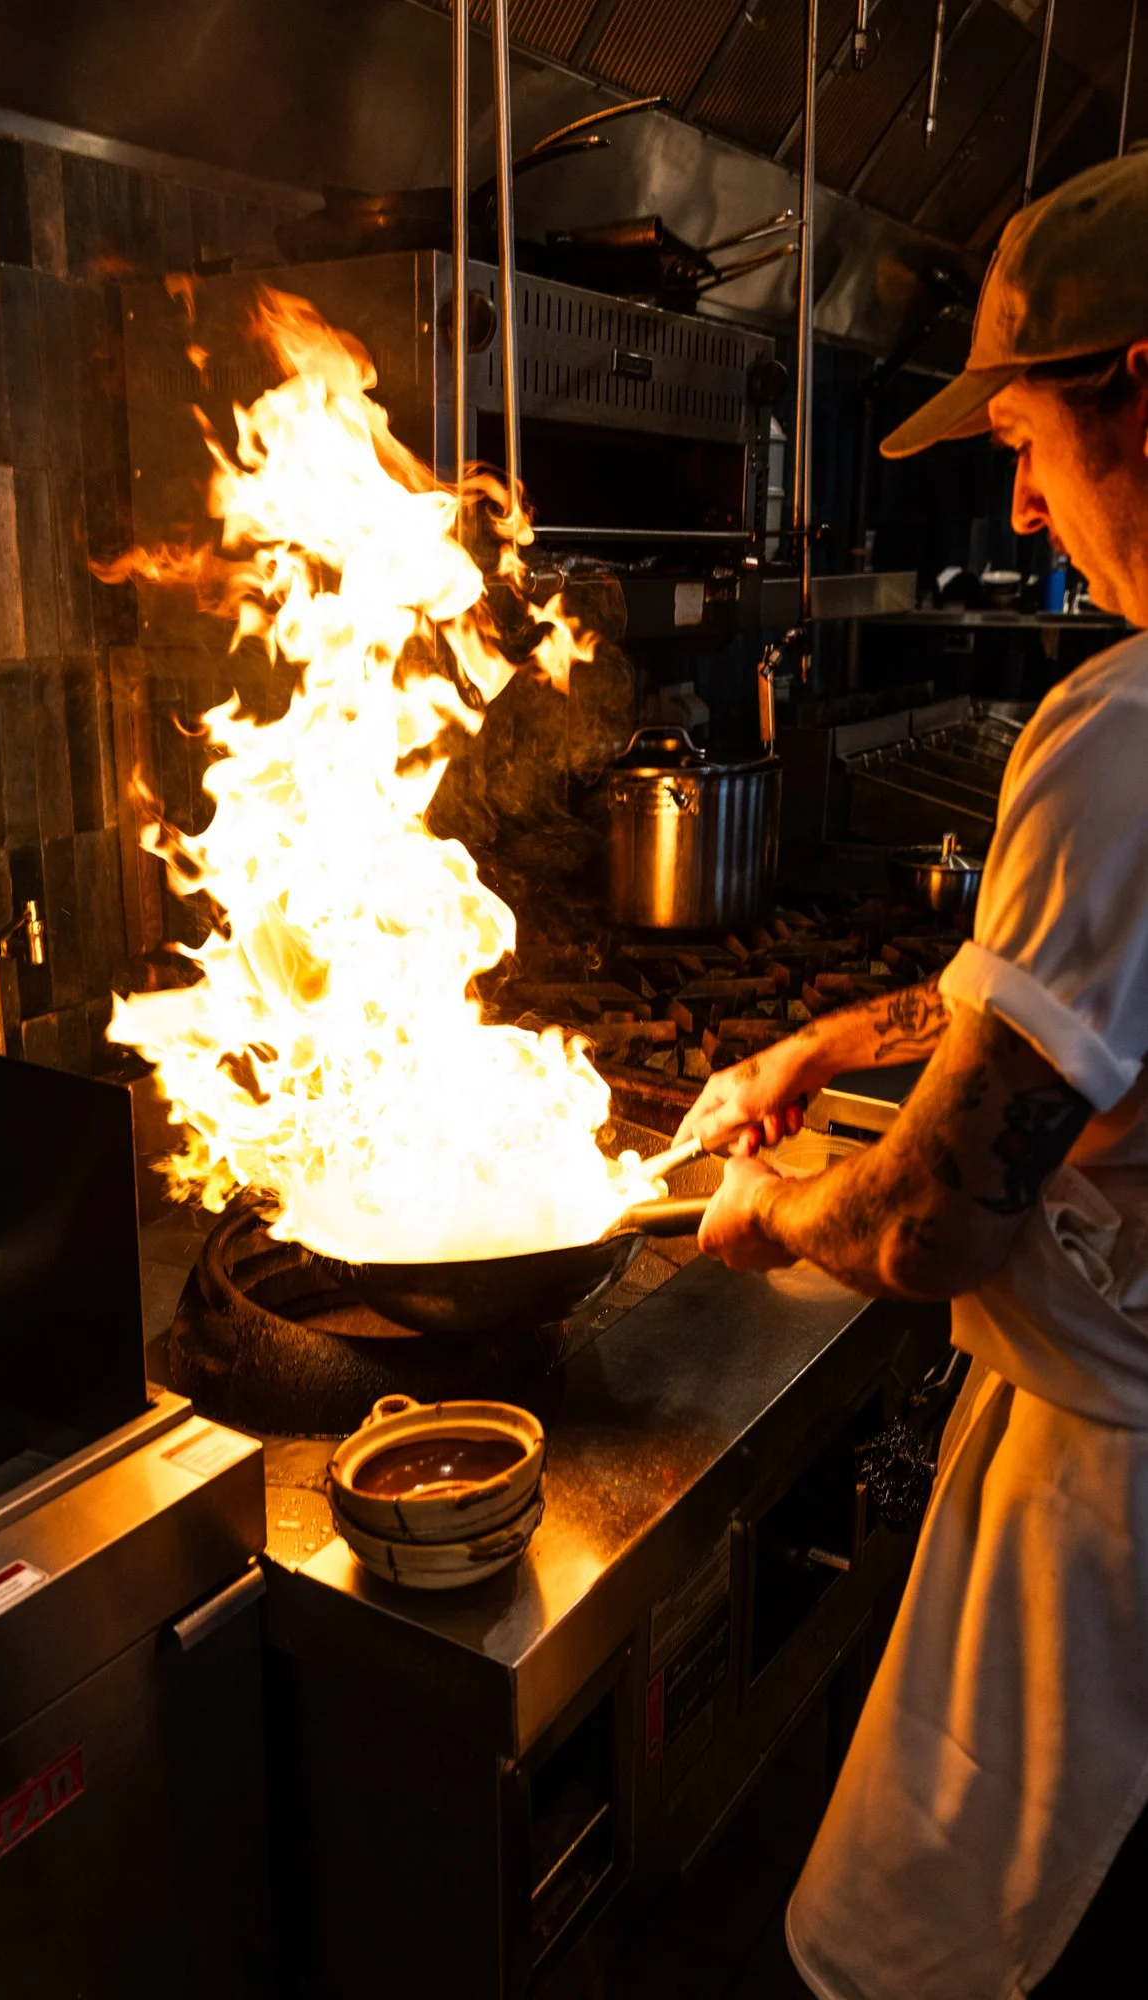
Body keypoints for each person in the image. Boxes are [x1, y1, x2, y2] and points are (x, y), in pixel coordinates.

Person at [674, 149, 1148, 1998]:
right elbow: (1059, 1014)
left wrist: (774, 1213)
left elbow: (938, 1219)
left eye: (1029, 432)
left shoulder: (1122, 739)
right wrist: (823, 1042)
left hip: (1107, 1549)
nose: (1018, 490)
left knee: (916, 1968)